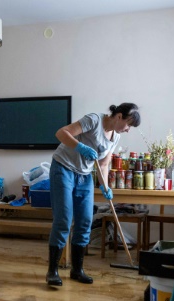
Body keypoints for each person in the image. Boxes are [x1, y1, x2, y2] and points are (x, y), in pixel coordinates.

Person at [46, 103, 141, 286]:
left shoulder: (116, 137)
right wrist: (80, 146)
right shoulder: (94, 120)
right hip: (63, 169)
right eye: (128, 124)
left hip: (84, 176)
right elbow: (61, 133)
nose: (128, 129)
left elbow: (104, 164)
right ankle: (52, 271)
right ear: (119, 116)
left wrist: (105, 186)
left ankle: (77, 270)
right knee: (64, 220)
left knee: (85, 221)